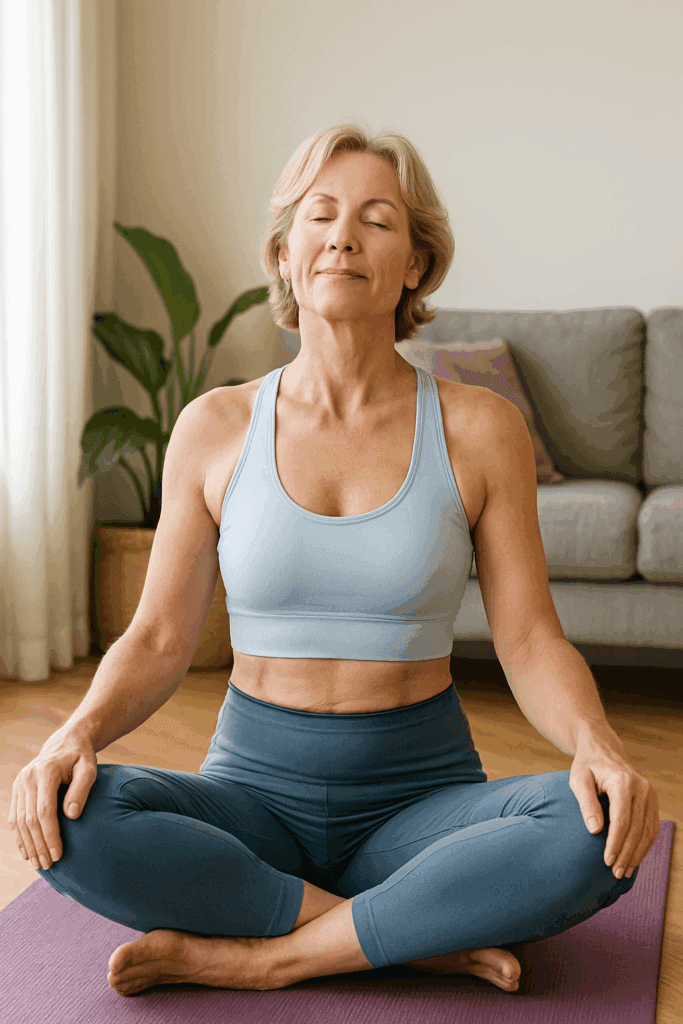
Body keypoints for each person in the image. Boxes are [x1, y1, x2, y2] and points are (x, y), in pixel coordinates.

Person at [9, 123, 659, 999]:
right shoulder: (213, 427)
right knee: (64, 814)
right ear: (285, 254)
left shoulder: (478, 427)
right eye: (319, 215)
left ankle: (266, 953)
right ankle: (419, 931)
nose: (343, 236)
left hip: (420, 803)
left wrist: (599, 747)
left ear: (417, 262)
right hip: (250, 800)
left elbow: (530, 638)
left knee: (598, 828)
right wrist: (73, 734)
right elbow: (159, 637)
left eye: (376, 219)